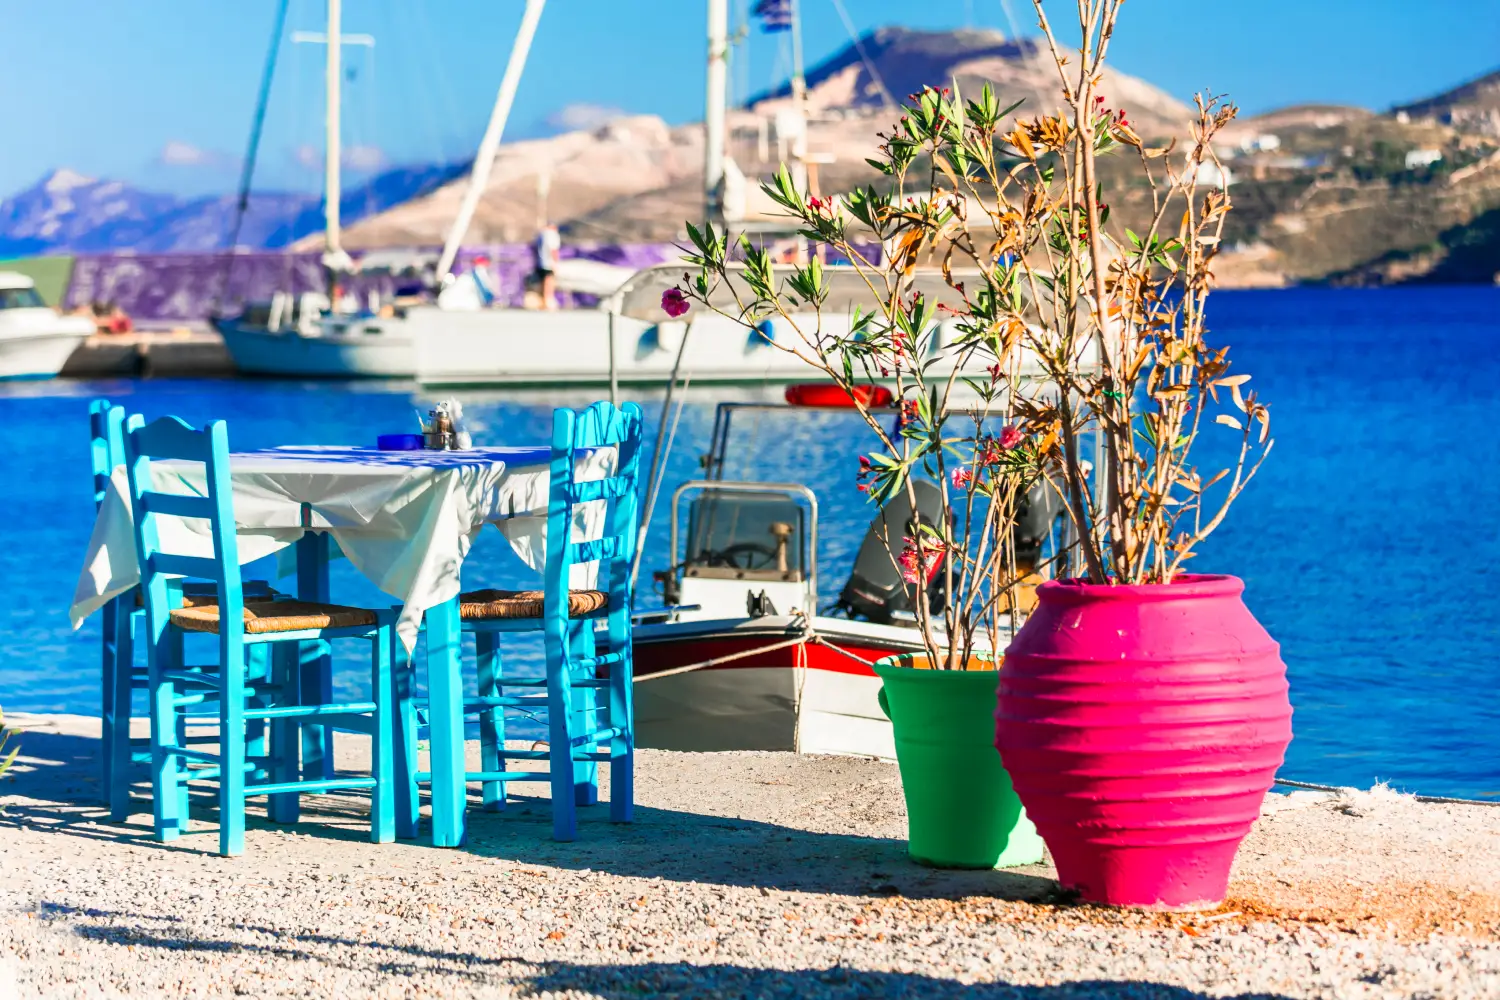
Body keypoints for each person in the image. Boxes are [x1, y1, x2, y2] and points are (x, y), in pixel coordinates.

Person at [532, 224, 560, 310]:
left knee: (543, 282)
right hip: (548, 262)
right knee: (549, 281)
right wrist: (555, 261)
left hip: (541, 262)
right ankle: (548, 300)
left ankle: (543, 300)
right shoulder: (551, 234)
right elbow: (553, 249)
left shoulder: (541, 234)